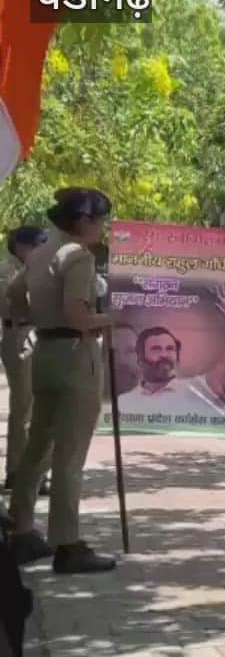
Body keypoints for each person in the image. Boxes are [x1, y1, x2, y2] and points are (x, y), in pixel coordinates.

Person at [7, 187, 117, 573]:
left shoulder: (39, 254)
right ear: (84, 221)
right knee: (69, 456)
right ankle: (67, 544)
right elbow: (77, 316)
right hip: (75, 356)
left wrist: (35, 319)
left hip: (45, 355)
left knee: (39, 444)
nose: (103, 228)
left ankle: (20, 527)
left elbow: (14, 295)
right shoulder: (78, 256)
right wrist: (110, 318)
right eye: (101, 220)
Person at [116, 286, 225, 421]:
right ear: (140, 357)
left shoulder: (197, 389)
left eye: (170, 349)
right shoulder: (122, 402)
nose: (164, 355)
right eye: (156, 349)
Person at [1, 227, 47, 493]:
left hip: (42, 335)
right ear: (20, 246)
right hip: (18, 335)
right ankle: (17, 472)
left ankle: (36, 472)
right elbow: (7, 307)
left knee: (43, 408)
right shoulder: (8, 270)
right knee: (23, 407)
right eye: (39, 244)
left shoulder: (41, 267)